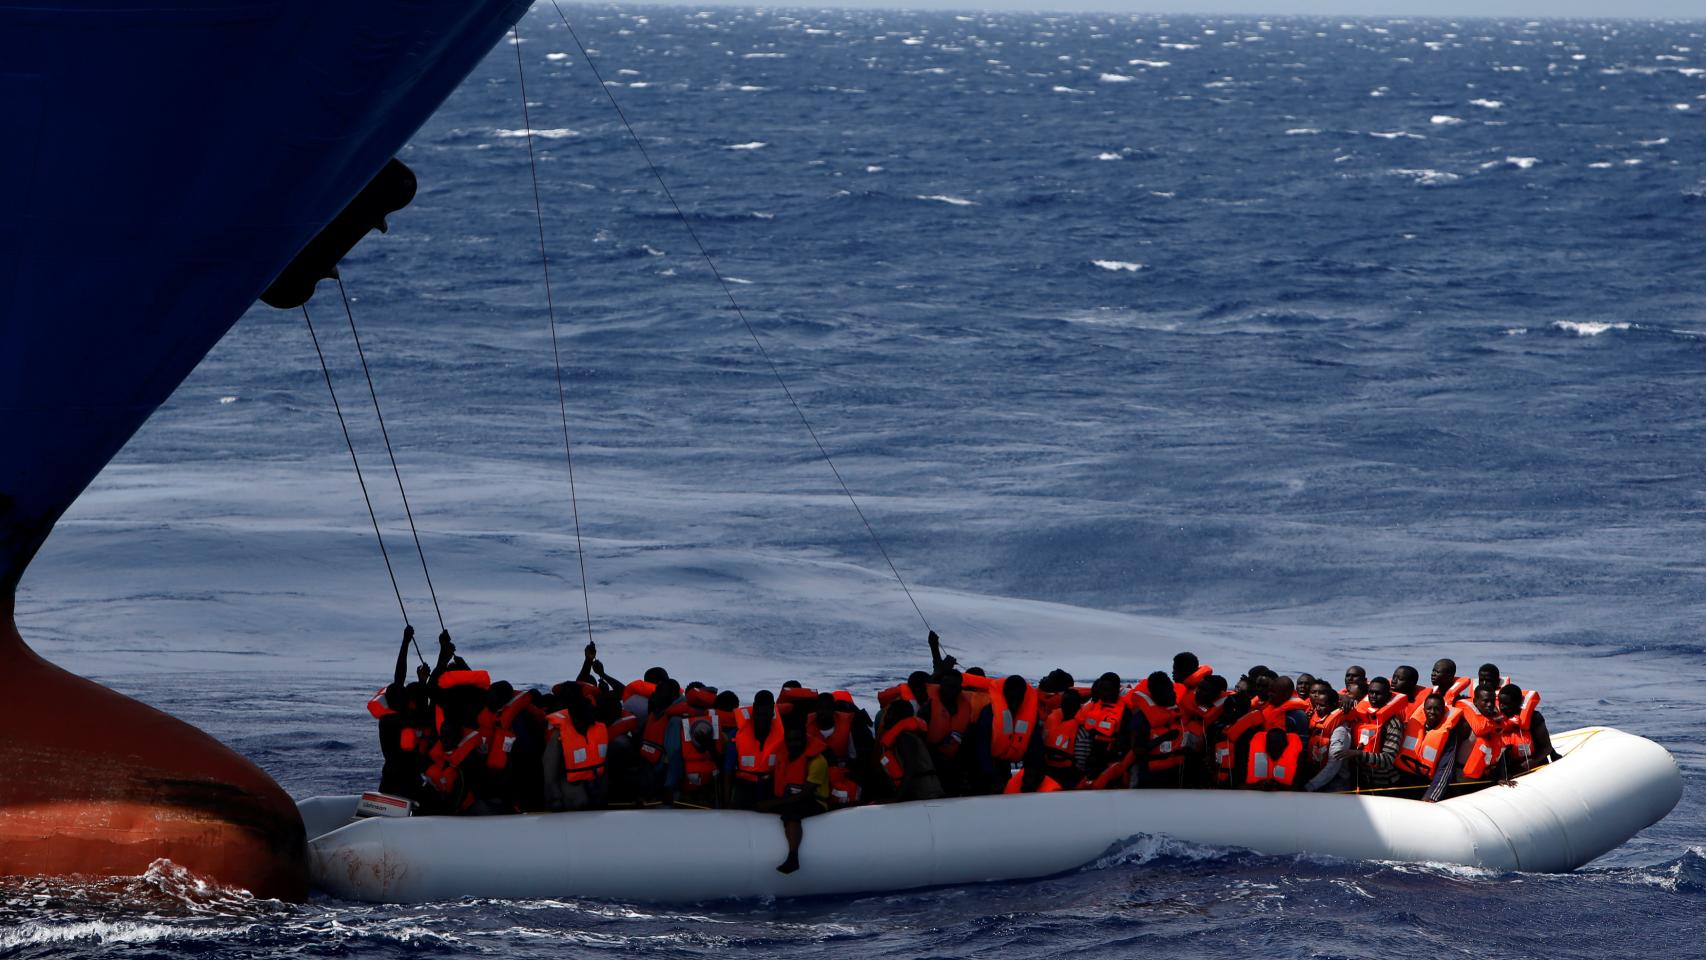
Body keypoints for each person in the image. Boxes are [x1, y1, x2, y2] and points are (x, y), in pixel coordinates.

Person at [762, 714, 829, 874]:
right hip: (789, 797)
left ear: (805, 738)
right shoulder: (784, 756)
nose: (793, 744)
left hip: (815, 802)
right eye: (790, 740)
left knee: (792, 813)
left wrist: (771, 804)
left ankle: (793, 857)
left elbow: (804, 795)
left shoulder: (817, 762)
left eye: (797, 740)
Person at [542, 688, 609, 811]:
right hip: (570, 784)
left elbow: (605, 765)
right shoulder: (559, 737)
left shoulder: (599, 730)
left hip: (595, 782)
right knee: (579, 801)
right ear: (576, 715)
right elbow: (549, 770)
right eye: (589, 711)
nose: (593, 714)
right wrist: (555, 798)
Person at [877, 700, 945, 801]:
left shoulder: (905, 738)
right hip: (917, 795)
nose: (886, 716)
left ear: (899, 716)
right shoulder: (901, 737)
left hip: (926, 795)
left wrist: (896, 798)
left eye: (890, 712)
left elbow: (910, 769)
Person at [730, 691, 783, 809]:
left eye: (766, 714)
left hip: (770, 785)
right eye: (759, 714)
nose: (762, 719)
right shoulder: (738, 735)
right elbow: (727, 768)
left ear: (772, 712)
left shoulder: (782, 736)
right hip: (743, 785)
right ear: (754, 710)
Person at [1352, 677, 1406, 791]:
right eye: (1371, 692)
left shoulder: (1393, 723)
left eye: (1378, 693)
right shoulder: (1361, 715)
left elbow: (1387, 759)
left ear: (1388, 695)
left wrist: (1356, 754)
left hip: (1384, 784)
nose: (1373, 696)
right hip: (1362, 779)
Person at [1395, 693, 1460, 785]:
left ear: (1443, 711)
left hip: (1426, 782)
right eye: (1429, 708)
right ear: (1424, 709)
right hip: (1402, 776)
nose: (1432, 711)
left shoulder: (1449, 736)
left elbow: (1444, 768)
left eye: (1437, 709)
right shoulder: (1408, 727)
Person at [1498, 683, 1559, 772]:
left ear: (1517, 703)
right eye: (1500, 703)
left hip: (1535, 765)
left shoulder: (1534, 718)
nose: (1501, 707)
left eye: (1506, 704)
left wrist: (1531, 762)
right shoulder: (1496, 719)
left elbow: (1546, 747)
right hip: (1509, 767)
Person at [1303, 687, 1355, 792]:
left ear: (1334, 706)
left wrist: (1310, 786)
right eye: (1316, 704)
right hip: (1318, 781)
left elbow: (1333, 766)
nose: (1317, 708)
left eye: (1322, 705)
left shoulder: (1340, 731)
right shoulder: (1316, 723)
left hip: (1335, 786)